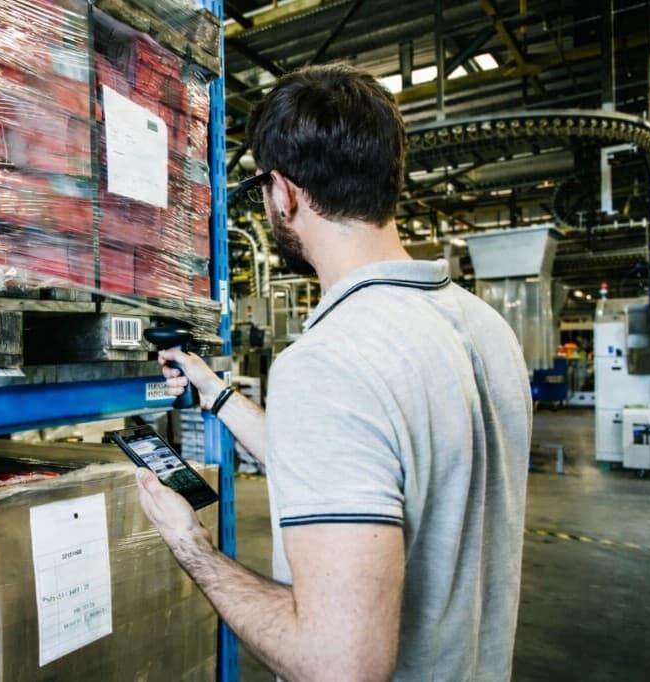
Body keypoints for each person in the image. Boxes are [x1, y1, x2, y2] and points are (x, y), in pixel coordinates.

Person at [135, 63, 532, 681]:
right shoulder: (486, 329)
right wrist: (218, 398)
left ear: (284, 192)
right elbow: (359, 463)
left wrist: (191, 545)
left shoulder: (330, 361)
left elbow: (338, 666)